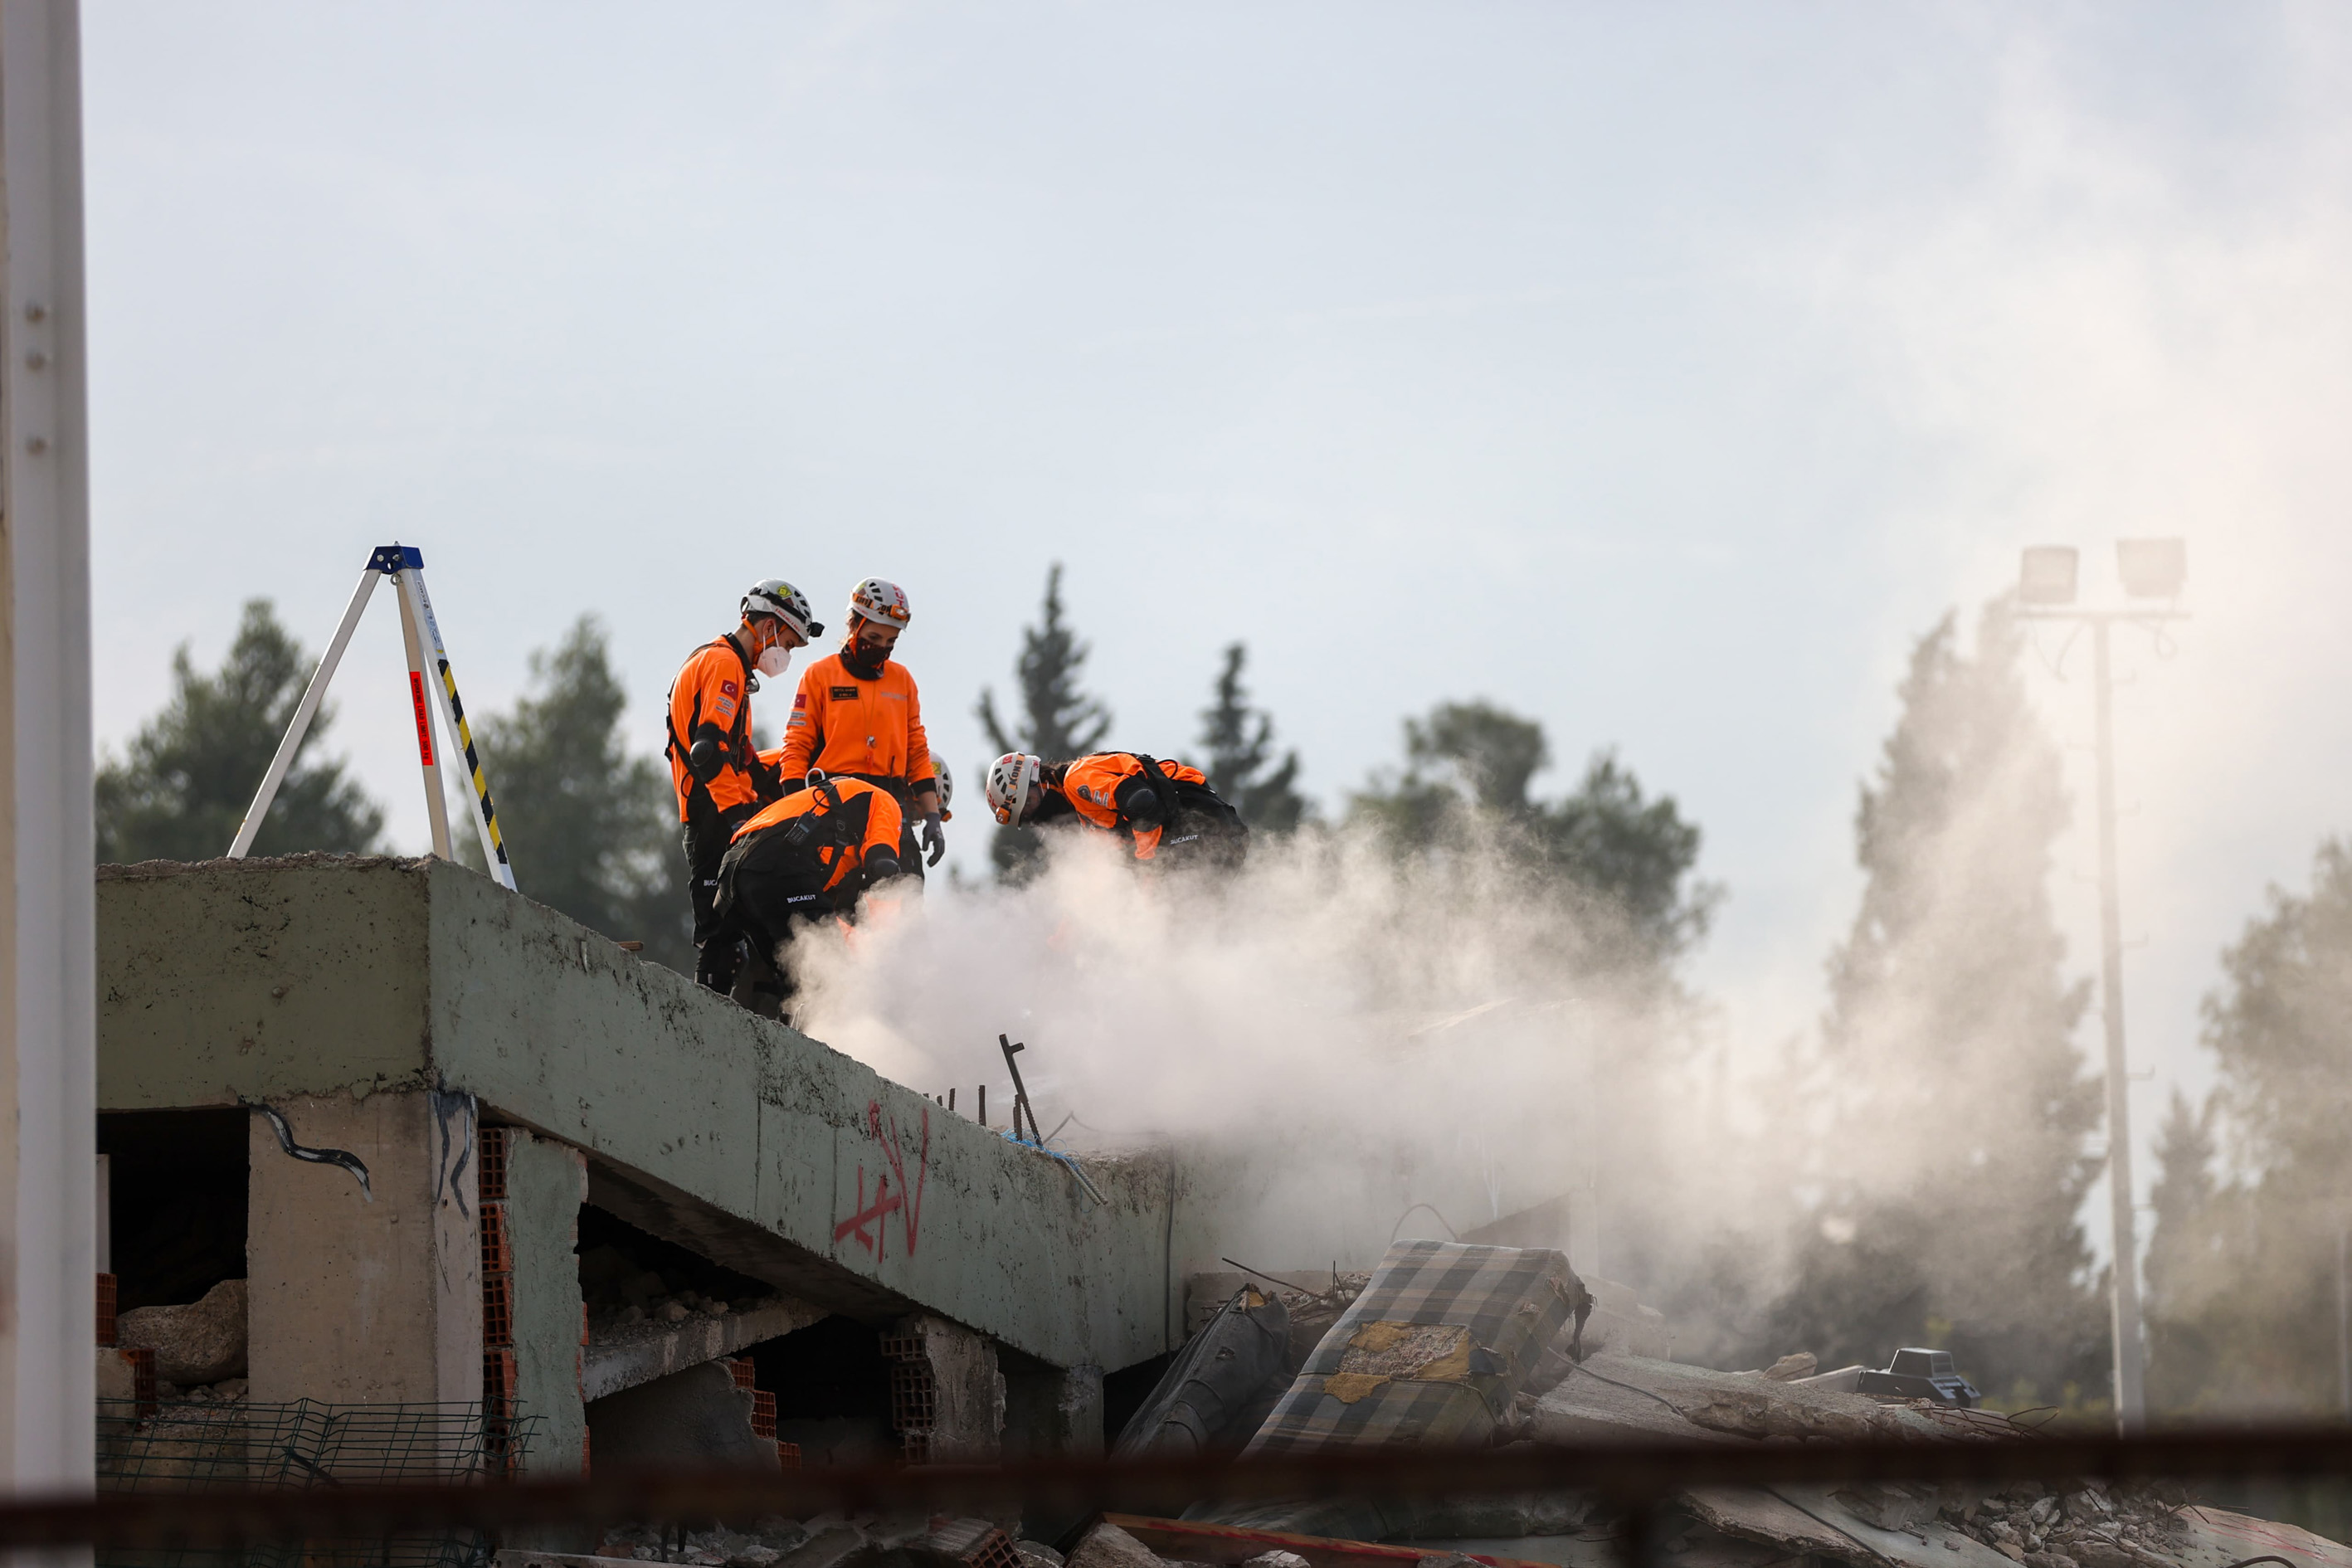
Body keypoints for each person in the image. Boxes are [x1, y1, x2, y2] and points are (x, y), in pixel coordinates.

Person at [665, 580, 820, 991]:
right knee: (724, 941)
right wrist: (739, 819)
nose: (784, 654)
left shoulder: (718, 662)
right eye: (786, 642)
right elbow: (708, 751)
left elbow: (742, 759)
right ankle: (699, 1033)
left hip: (712, 809)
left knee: (742, 937)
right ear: (768, 625)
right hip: (712, 814)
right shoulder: (724, 665)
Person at [775, 577, 945, 880]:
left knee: (902, 903)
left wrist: (933, 817)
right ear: (854, 624)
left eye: (891, 642)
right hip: (833, 804)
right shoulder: (819, 676)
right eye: (875, 636)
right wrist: (793, 807)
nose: (881, 647)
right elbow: (796, 746)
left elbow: (917, 752)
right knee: (836, 906)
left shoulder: (902, 681)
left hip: (891, 806)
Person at [706, 771, 907, 1002]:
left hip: (733, 873)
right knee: (831, 972)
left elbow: (827, 913)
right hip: (777, 863)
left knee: (794, 981)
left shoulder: (835, 806)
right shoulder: (885, 802)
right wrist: (888, 948)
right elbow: (882, 867)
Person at [985, 750, 1247, 868]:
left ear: (1039, 779)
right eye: (1028, 817)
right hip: (1210, 834)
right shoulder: (1087, 820)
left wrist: (1149, 865)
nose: (1039, 819)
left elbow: (1142, 802)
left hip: (1202, 825)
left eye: (1029, 803)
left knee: (1173, 923)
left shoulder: (1076, 779)